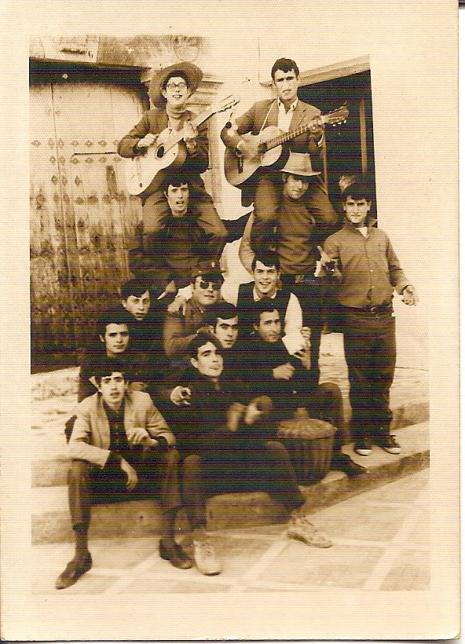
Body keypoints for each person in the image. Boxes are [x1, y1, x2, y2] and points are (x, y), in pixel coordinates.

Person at [168, 333, 333, 576]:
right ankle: (200, 540)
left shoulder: (234, 385)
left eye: (217, 353)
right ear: (194, 362)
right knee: (192, 463)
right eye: (206, 354)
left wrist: (253, 416)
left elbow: (262, 432)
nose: (215, 359)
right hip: (212, 474)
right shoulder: (189, 394)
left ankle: (297, 520)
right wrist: (235, 425)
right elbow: (196, 444)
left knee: (274, 449)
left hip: (241, 467)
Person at [55, 359, 190, 590]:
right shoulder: (87, 407)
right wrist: (116, 460)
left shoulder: (142, 401)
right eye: (107, 381)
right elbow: (74, 447)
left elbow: (169, 437)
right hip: (107, 477)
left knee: (171, 457)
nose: (114, 387)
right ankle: (81, 554)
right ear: (98, 386)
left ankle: (168, 541)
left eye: (118, 380)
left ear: (126, 384)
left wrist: (150, 440)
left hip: (142, 472)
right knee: (77, 469)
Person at [323, 180, 419, 456]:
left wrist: (405, 287)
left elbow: (395, 269)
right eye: (351, 204)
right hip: (356, 319)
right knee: (361, 378)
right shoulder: (335, 241)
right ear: (344, 207)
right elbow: (331, 281)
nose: (355, 209)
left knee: (383, 376)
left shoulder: (381, 237)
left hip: (385, 317)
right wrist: (330, 271)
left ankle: (383, 432)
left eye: (361, 204)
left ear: (368, 206)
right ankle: (363, 435)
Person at [220, 57, 336, 254]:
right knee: (265, 216)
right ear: (273, 85)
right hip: (269, 174)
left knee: (328, 218)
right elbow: (227, 131)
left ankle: (305, 252)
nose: (286, 85)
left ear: (298, 80)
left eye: (290, 78)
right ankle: (262, 259)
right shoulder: (260, 109)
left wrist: (317, 136)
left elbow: (315, 157)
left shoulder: (312, 113)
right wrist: (244, 147)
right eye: (280, 80)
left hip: (301, 174)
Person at [118, 61, 227, 266]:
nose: (177, 90)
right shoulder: (151, 118)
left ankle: (203, 271)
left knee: (218, 232)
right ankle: (161, 273)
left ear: (189, 92)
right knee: (151, 231)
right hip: (157, 186)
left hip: (189, 186)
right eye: (171, 86)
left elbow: (203, 165)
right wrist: (141, 143)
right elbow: (122, 146)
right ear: (164, 92)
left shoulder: (198, 122)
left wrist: (192, 145)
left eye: (181, 85)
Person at [244, 299, 367, 477]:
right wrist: (271, 374)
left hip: (296, 403)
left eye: (277, 322)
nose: (274, 328)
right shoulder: (247, 348)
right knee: (266, 403)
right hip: (275, 409)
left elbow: (308, 384)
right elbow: (245, 385)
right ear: (256, 326)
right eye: (268, 323)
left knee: (330, 389)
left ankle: (336, 454)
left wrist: (308, 364)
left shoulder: (287, 343)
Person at [127, 177, 215, 290]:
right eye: (174, 191)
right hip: (166, 286)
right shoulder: (148, 227)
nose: (180, 196)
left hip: (196, 285)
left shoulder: (201, 223)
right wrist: (164, 279)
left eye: (184, 190)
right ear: (166, 196)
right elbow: (136, 261)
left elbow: (224, 232)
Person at [162, 261, 223, 361]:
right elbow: (171, 347)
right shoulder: (179, 310)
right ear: (192, 287)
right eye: (204, 285)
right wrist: (201, 335)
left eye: (215, 286)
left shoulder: (223, 309)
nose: (210, 289)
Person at [120, 277, 169, 399]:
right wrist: (128, 384)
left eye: (145, 301)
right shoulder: (115, 325)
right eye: (135, 301)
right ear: (124, 303)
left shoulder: (155, 320)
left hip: (152, 383)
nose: (141, 307)